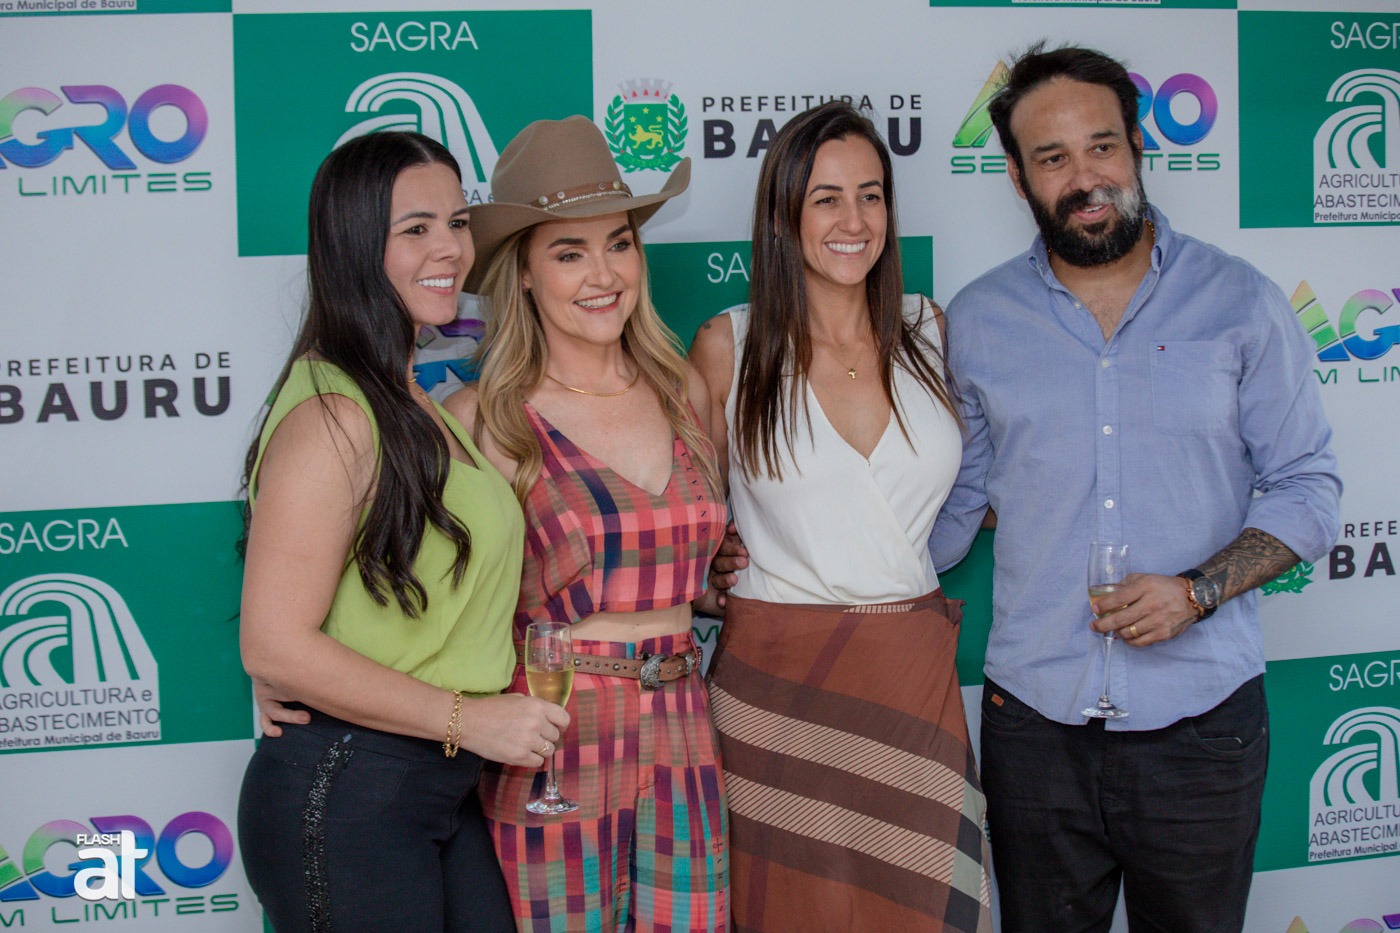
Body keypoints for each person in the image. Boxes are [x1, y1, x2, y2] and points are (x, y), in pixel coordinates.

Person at [928, 43, 1342, 932]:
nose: (1086, 179)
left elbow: (1308, 487)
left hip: (1203, 726)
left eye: (1102, 146)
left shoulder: (1241, 301)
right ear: (1016, 177)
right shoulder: (978, 320)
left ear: (1138, 148)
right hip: (1034, 727)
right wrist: (787, 558)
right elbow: (951, 508)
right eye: (1053, 158)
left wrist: (1197, 592)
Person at [236, 130, 568, 933]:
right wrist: (469, 717)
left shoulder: (411, 397)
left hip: (432, 786)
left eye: (456, 222)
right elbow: (273, 643)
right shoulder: (336, 413)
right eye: (415, 228)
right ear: (354, 246)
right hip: (348, 791)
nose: (450, 247)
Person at [689, 101, 992, 932]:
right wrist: (705, 577)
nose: (854, 221)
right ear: (783, 214)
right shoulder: (727, 345)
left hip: (912, 673)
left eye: (871, 195)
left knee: (926, 910)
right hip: (777, 680)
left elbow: (992, 478)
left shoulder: (931, 329)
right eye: (826, 198)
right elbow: (678, 513)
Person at [440, 115, 729, 933]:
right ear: (524, 274)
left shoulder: (683, 392)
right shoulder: (483, 419)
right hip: (554, 732)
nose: (603, 275)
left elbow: (696, 564)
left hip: (683, 720)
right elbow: (417, 593)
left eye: (619, 243)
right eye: (569, 253)